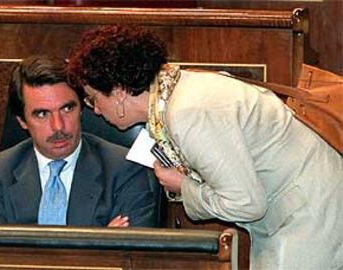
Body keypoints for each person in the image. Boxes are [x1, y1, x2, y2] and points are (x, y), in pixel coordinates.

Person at [67, 25, 343, 269]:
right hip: (293, 207)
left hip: (308, 213)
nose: (95, 110)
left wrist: (183, 186)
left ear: (118, 92)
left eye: (92, 99)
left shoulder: (188, 113)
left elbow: (246, 205)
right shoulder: (178, 88)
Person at [0, 54, 159, 228]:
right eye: (42, 114)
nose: (58, 126)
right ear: (22, 121)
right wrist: (98, 246)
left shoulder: (125, 169)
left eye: (67, 109)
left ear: (82, 108)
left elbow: (133, 256)